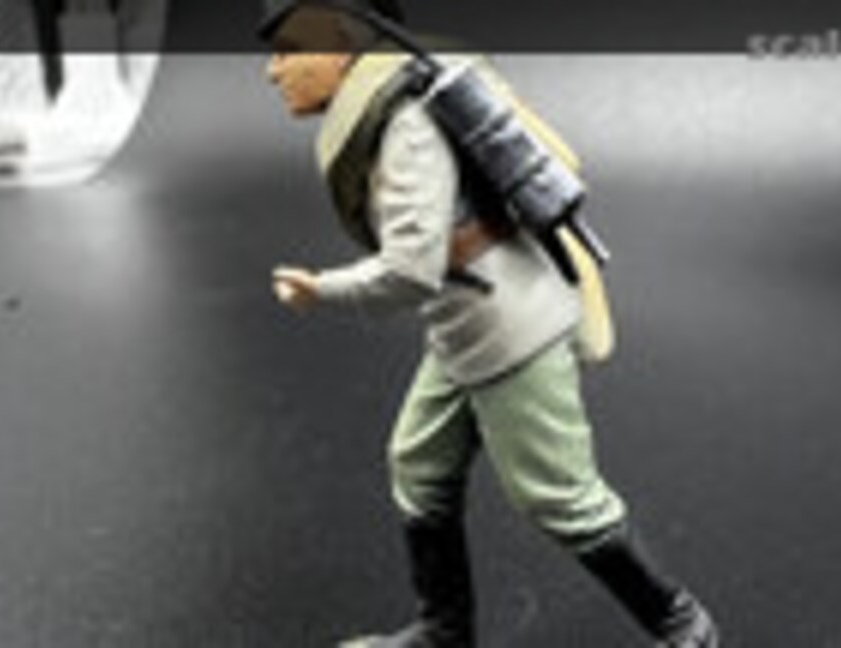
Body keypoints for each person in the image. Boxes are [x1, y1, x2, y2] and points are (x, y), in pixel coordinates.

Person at [261, 1, 719, 646]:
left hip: (509, 328)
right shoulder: (392, 109)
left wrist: (322, 289)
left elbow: (411, 271)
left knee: (559, 498)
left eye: (287, 51)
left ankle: (683, 627)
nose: (273, 71)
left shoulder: (405, 127)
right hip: (465, 325)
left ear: (338, 47)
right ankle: (444, 633)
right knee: (419, 467)